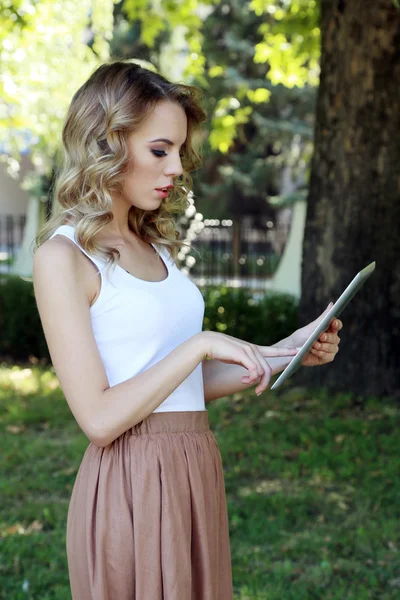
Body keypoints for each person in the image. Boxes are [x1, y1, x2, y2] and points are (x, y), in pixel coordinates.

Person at [32, 60, 342, 600]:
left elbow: (177, 391)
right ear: (108, 143)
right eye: (160, 150)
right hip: (131, 483)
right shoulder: (63, 257)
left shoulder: (153, 245)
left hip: (193, 467)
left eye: (179, 150)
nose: (177, 166)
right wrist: (199, 346)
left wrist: (280, 353)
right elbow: (100, 419)